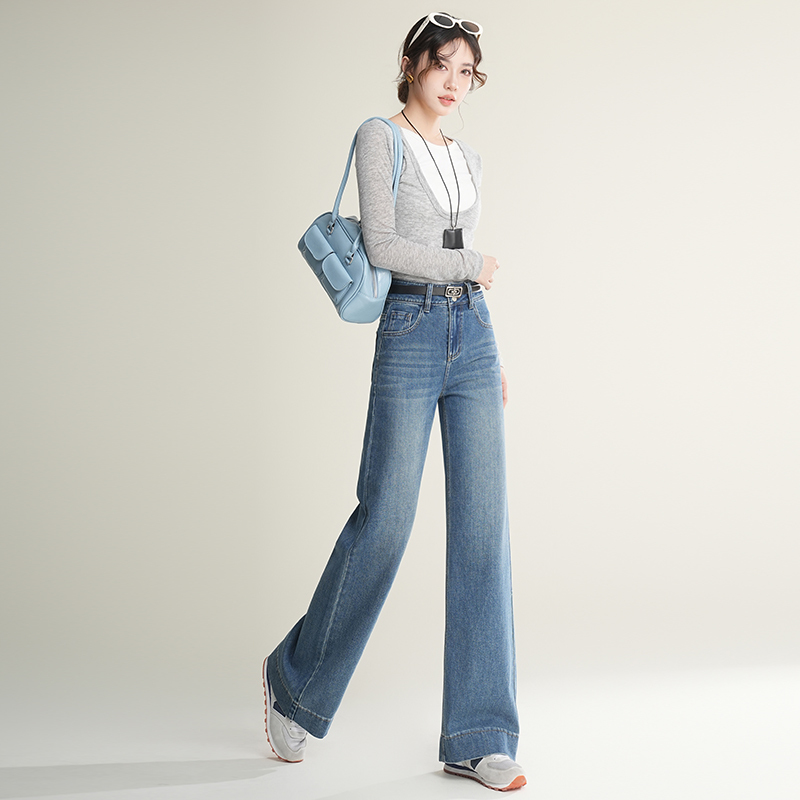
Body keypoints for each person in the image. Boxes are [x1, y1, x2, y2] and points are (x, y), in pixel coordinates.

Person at [263, 12, 525, 792]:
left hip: (472, 336)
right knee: (385, 519)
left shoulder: (468, 157)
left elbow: (459, 261)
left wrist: (492, 353)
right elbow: (384, 247)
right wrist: (475, 266)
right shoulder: (379, 137)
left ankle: (479, 735)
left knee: (484, 530)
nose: (454, 83)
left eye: (466, 71)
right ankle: (293, 685)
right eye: (442, 65)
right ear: (411, 64)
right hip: (410, 330)